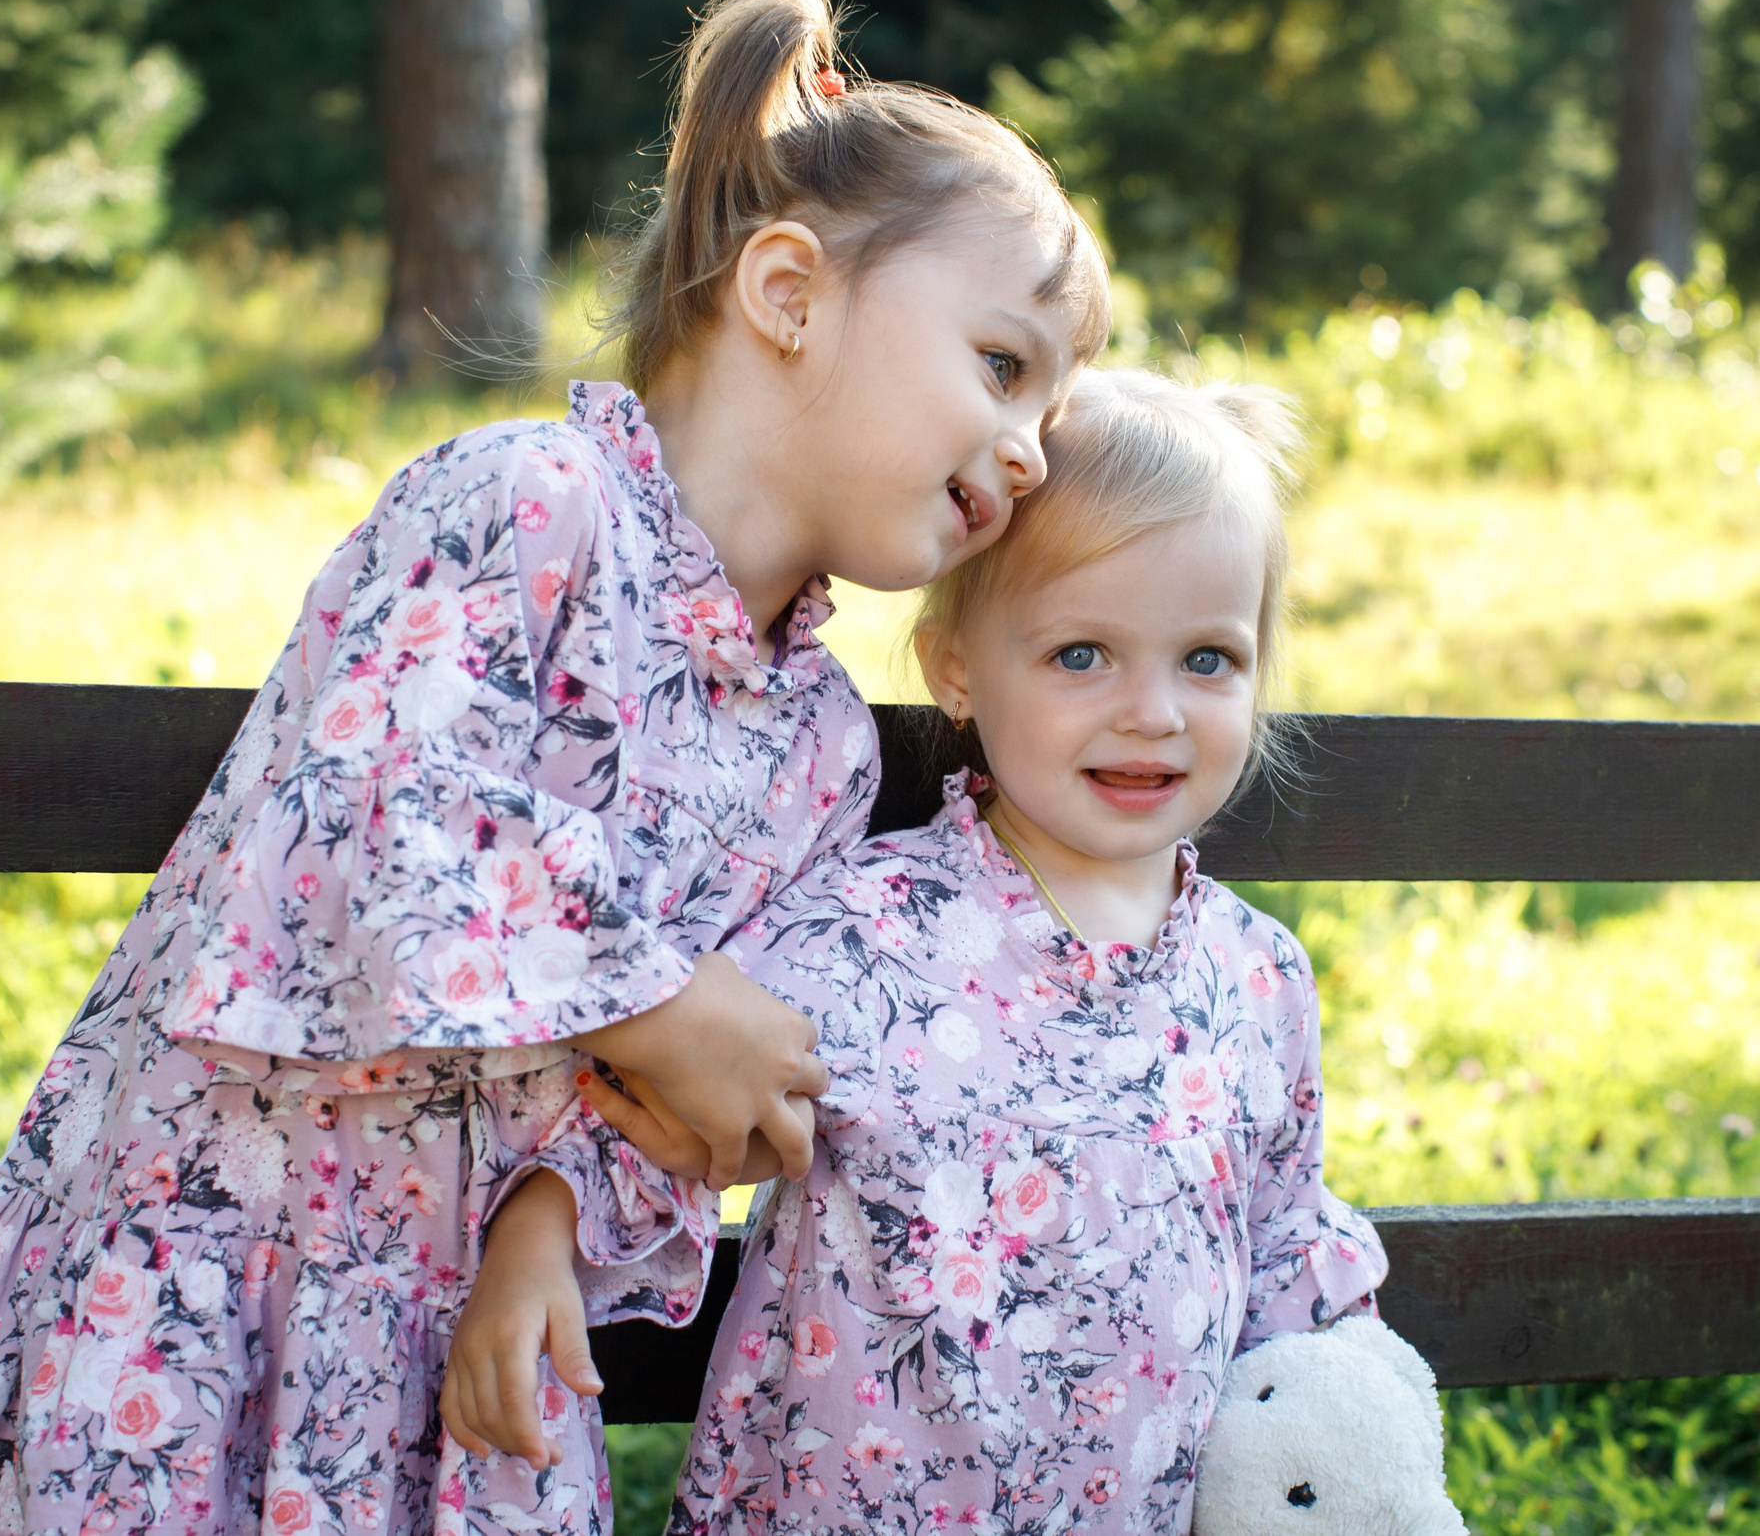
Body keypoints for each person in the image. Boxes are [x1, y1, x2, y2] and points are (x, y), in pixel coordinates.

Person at [0, 0, 1110, 1536]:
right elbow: (376, 823)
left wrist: (553, 1221)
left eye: (1054, 412)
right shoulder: (522, 506)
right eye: (1004, 366)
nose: (1030, 451)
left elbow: (689, 1111)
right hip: (220, 1286)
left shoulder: (816, 746)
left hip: (468, 1365)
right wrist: (660, 997)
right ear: (786, 291)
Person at [589, 369, 1389, 1533]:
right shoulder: (865, 931)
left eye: (1207, 659)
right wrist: (540, 1240)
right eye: (1082, 655)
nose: (1154, 711)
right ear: (956, 669)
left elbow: (1284, 1256)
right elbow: (648, 1112)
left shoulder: (1257, 979)